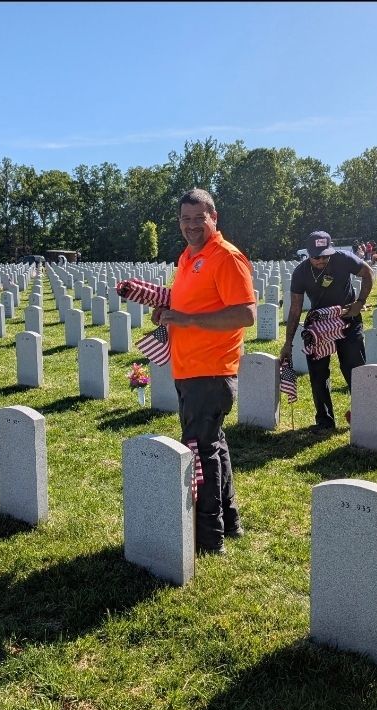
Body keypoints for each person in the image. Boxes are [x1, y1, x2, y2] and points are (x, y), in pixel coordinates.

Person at [152, 188, 256, 556]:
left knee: (199, 450)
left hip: (211, 370)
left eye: (200, 218)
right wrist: (168, 312)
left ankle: (209, 537)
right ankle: (229, 520)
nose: (192, 225)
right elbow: (190, 303)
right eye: (185, 219)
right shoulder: (188, 256)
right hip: (189, 367)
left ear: (215, 218)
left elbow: (246, 314)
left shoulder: (226, 257)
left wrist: (188, 319)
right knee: (212, 444)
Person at [280, 231, 375, 431]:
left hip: (347, 318)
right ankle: (324, 420)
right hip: (319, 325)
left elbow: (368, 273)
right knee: (318, 373)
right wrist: (288, 342)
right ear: (308, 254)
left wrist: (360, 302)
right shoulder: (301, 272)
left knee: (353, 368)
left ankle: (365, 415)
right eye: (317, 256)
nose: (322, 260)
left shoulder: (343, 259)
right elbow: (295, 307)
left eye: (325, 255)